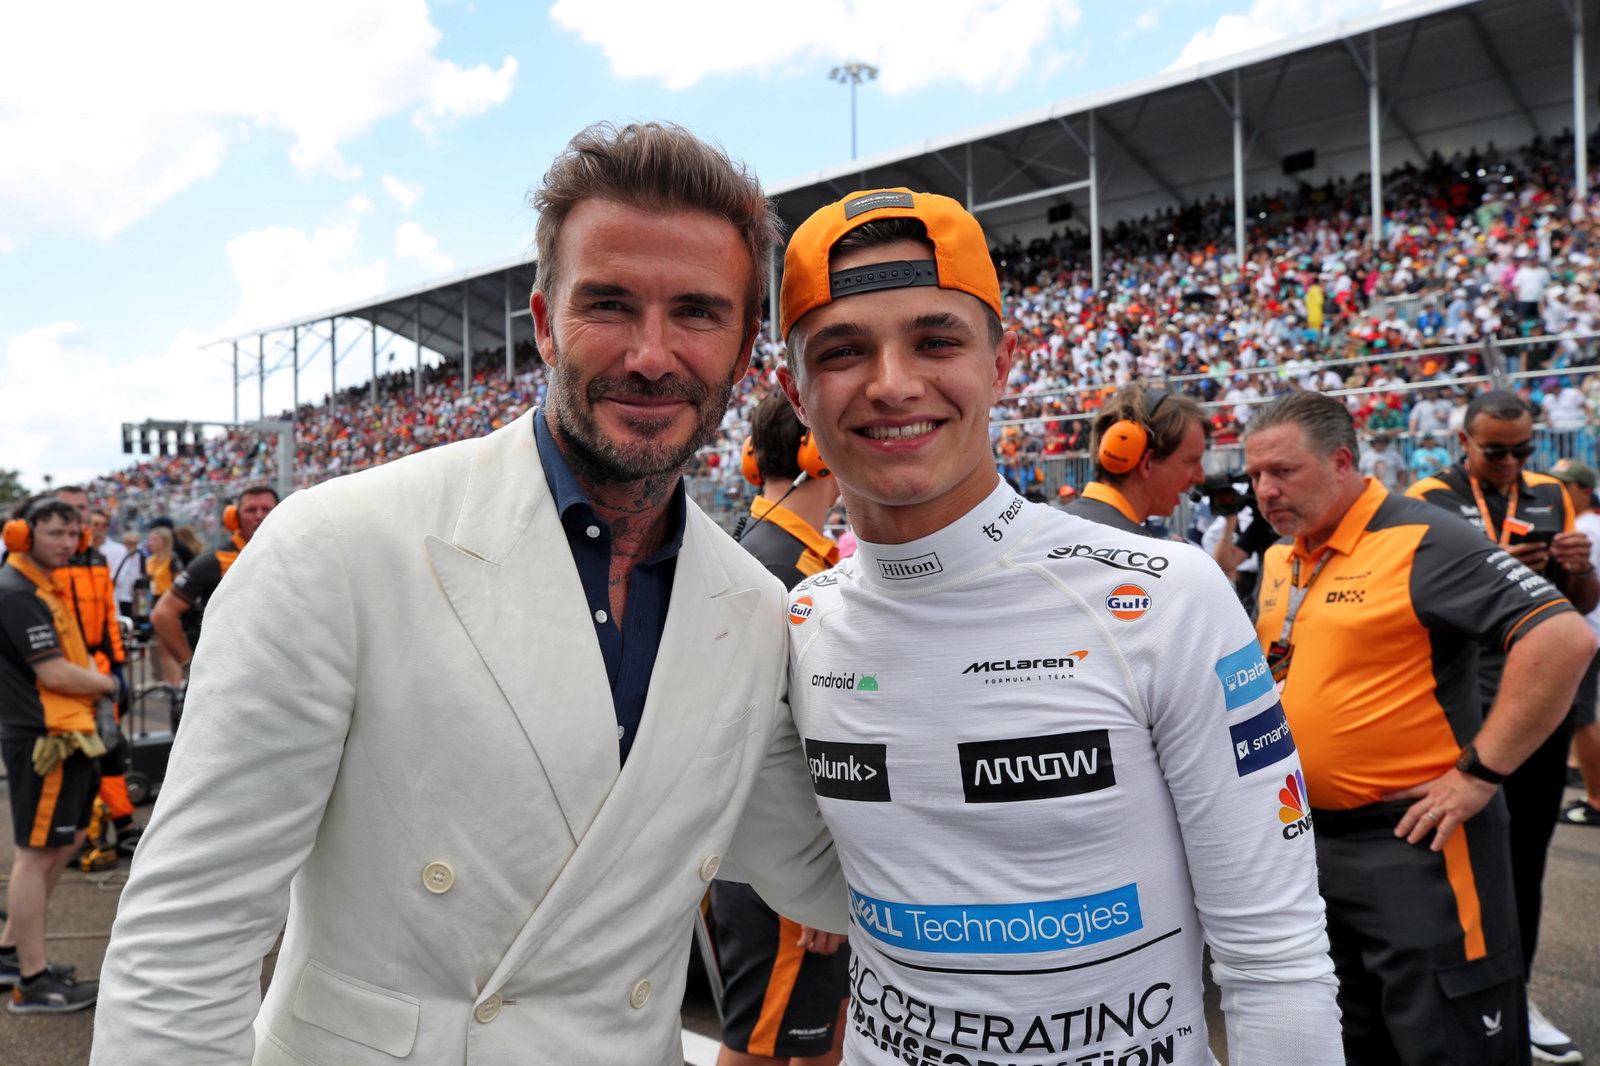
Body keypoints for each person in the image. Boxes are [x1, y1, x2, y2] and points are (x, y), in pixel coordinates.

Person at [93, 121, 845, 1065]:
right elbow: (186, 938)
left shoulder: (752, 605)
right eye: (609, 304)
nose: (652, 355)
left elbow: (815, 872)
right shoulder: (341, 543)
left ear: (741, 352)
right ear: (541, 323)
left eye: (697, 312)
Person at [776, 187, 1341, 1066]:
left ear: (1002, 364)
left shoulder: (1169, 597)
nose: (892, 384)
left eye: (936, 340)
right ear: (795, 391)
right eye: (844, 351)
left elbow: (1276, 964)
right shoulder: (796, 624)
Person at [1244, 390, 1594, 1065]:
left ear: (1342, 461)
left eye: (1283, 471)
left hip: (1416, 845)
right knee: (1356, 1042)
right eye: (1256, 474)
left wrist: (1478, 774)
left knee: (1451, 1043)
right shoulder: (1285, 555)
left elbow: (1561, 639)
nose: (1265, 489)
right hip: (1314, 845)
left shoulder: (1421, 536)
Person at [1407, 389, 1597, 1065]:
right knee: (1456, 858)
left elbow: (1580, 607)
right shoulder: (1427, 496)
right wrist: (1498, 574)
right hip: (1461, 705)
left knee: (1527, 856)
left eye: (1523, 449)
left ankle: (1518, 992)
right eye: (1496, 452)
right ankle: (1448, 996)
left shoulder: (1551, 491)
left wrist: (1577, 570)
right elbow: (1423, 604)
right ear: (1465, 442)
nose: (1512, 464)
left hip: (1537, 703)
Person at [713, 391, 848, 1066]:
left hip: (784, 868)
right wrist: (805, 892)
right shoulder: (778, 571)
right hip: (781, 874)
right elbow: (765, 747)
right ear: (815, 452)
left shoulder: (767, 551)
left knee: (813, 1041)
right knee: (760, 1047)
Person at [0, 496, 118, 1013]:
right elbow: (54, 674)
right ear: (23, 535)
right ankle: (33, 981)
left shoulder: (38, 585)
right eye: (56, 534)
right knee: (35, 854)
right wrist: (109, 682)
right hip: (43, 736)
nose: (69, 544)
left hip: (61, 731)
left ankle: (9, 951)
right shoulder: (18, 592)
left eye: (74, 535)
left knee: (61, 844)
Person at [149, 485, 280, 676]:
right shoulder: (216, 560)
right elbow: (162, 614)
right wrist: (190, 667)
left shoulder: (293, 555)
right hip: (229, 678)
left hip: (278, 674)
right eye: (251, 510)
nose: (259, 515)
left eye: (267, 509)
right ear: (234, 518)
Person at [1063, 382, 1208, 536]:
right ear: (1147, 463)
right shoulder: (1161, 556)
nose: (1200, 477)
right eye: (1191, 461)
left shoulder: (1043, 527)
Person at [1550, 459, 1600, 831]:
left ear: (1584, 489)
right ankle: (1577, 769)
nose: (1558, 492)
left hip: (1586, 631)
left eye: (1565, 486)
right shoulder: (1589, 524)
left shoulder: (1581, 528)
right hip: (1590, 629)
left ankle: (1596, 800)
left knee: (1583, 719)